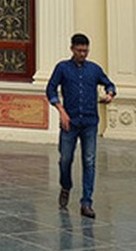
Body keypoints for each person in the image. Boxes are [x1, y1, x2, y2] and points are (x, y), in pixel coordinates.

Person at [45, 32, 116, 219]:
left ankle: (86, 202)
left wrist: (110, 94)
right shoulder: (62, 68)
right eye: (79, 50)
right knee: (65, 159)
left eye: (85, 51)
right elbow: (50, 89)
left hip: (90, 122)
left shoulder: (94, 69)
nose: (83, 54)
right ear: (72, 49)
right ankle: (66, 185)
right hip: (70, 122)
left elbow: (109, 84)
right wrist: (61, 111)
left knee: (89, 160)